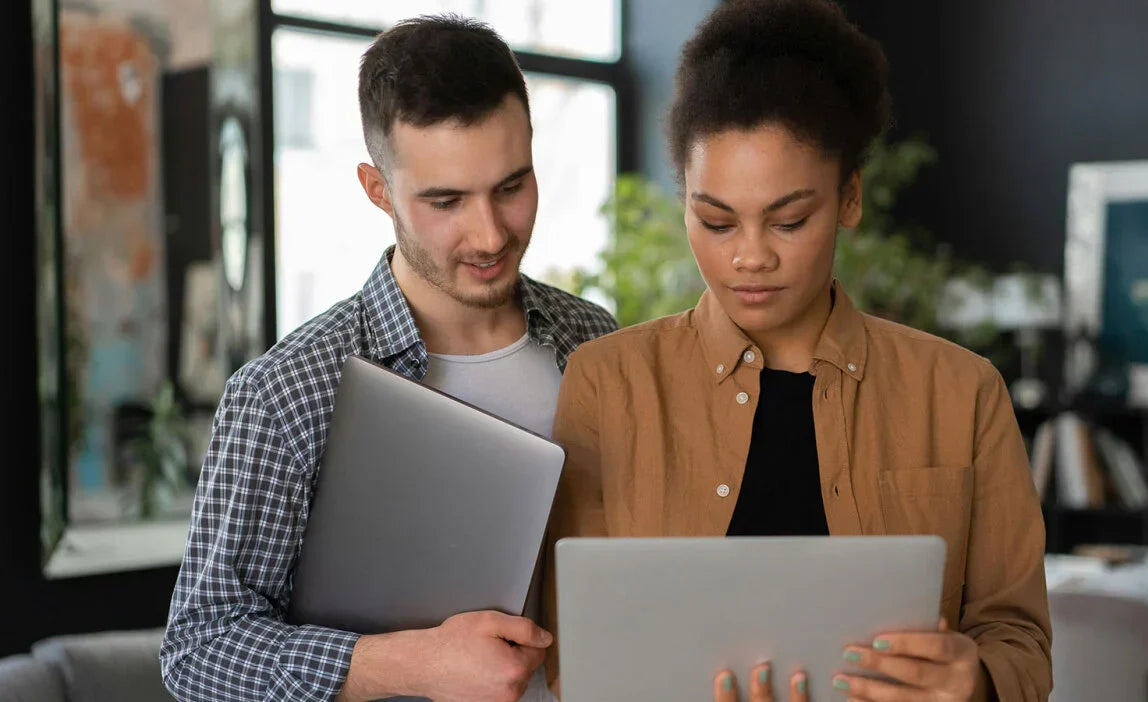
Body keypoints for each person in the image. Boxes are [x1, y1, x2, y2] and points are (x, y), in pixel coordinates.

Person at [542, 1, 1052, 700]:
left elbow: (1021, 641)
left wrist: (978, 681)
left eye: (789, 220)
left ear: (849, 199)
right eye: (715, 220)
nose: (750, 257)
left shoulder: (962, 392)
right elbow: (574, 649)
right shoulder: (607, 384)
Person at [160, 15, 616, 702]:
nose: (489, 233)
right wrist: (414, 664)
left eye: (511, 187)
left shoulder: (594, 339)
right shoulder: (288, 393)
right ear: (378, 190)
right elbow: (199, 649)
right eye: (445, 201)